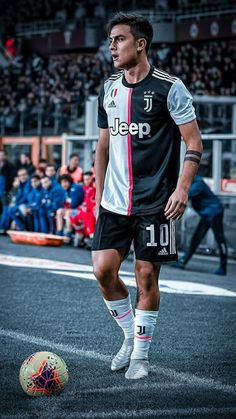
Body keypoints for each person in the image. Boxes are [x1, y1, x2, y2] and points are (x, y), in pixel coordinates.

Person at [92, 12, 203, 380]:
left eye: (119, 39)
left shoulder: (170, 88)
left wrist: (182, 187)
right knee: (103, 271)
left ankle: (140, 356)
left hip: (156, 202)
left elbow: (193, 142)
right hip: (113, 202)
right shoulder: (108, 88)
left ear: (140, 44)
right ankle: (128, 337)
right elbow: (103, 146)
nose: (112, 46)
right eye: (110, 40)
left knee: (146, 277)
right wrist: (97, 193)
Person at [176, 176, 227, 275]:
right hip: (206, 213)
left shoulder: (197, 183)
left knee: (220, 239)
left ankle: (223, 268)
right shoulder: (194, 182)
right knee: (196, 238)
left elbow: (186, 195)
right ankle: (183, 261)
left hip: (214, 211)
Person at [70, 171, 96, 248]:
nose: (86, 181)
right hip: (82, 209)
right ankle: (80, 233)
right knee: (73, 214)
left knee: (88, 216)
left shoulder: (94, 189)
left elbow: (93, 202)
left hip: (90, 210)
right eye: (85, 179)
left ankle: (90, 236)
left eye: (88, 179)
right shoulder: (82, 188)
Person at [56, 174, 84, 242]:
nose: (63, 184)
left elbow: (74, 205)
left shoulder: (76, 187)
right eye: (62, 183)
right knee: (59, 211)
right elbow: (63, 203)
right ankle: (59, 233)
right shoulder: (66, 190)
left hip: (81, 209)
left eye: (65, 182)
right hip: (72, 209)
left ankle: (68, 235)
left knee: (69, 212)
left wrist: (66, 207)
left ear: (70, 181)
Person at [0, 150, 16, 232]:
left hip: (5, 191)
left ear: (6, 156)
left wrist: (8, 189)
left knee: (5, 209)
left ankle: (2, 227)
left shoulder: (10, 166)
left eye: (2, 155)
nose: (1, 157)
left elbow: (11, 179)